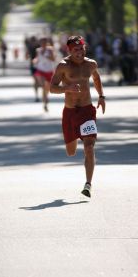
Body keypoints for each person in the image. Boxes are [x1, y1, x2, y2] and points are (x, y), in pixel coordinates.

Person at [49, 35, 106, 198]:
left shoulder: (91, 64)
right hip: (70, 113)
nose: (79, 52)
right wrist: (66, 88)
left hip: (87, 110)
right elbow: (52, 88)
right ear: (69, 50)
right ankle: (73, 140)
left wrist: (101, 96)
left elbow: (96, 77)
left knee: (89, 146)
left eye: (81, 49)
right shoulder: (63, 66)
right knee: (71, 152)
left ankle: (88, 184)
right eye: (76, 50)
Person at [33, 37, 55, 111]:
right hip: (40, 70)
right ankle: (45, 102)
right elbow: (37, 58)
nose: (43, 44)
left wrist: (48, 57)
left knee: (47, 88)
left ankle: (45, 99)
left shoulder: (50, 50)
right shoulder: (38, 50)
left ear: (46, 42)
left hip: (49, 70)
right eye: (42, 42)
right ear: (40, 43)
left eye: (44, 42)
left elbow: (53, 59)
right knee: (43, 85)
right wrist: (35, 60)